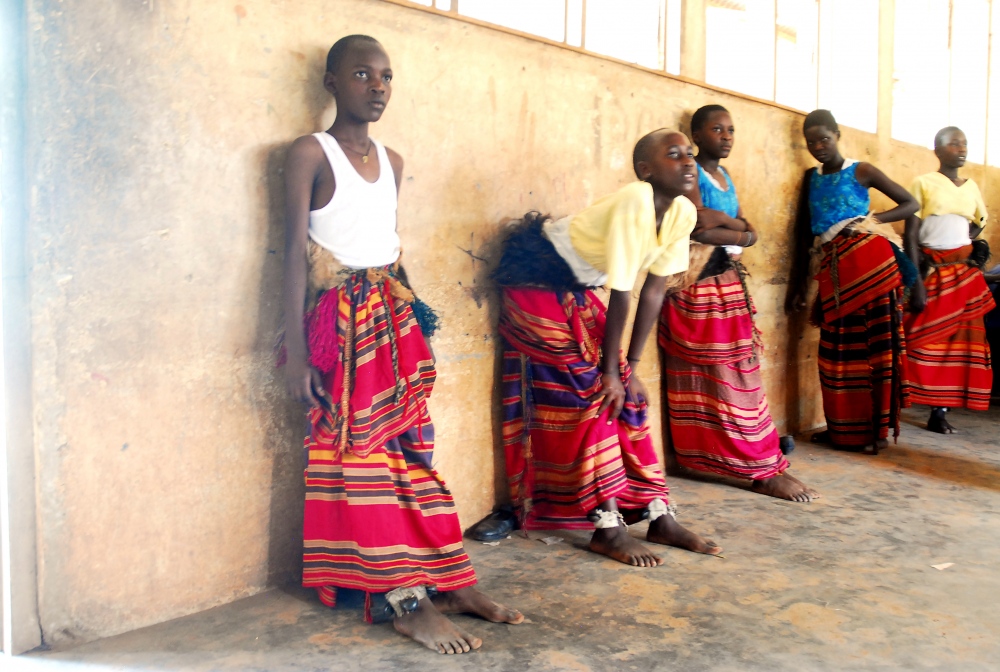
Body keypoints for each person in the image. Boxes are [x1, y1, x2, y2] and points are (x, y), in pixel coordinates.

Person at [280, 34, 521, 655]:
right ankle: (404, 601)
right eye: (362, 74)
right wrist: (297, 356)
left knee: (414, 454)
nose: (378, 86)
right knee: (358, 461)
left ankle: (448, 579)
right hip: (339, 326)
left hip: (394, 319)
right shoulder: (311, 153)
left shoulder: (394, 161)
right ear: (331, 81)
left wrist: (421, 330)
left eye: (386, 76)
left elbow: (391, 246)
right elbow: (290, 258)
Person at [494, 129, 722, 569]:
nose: (689, 161)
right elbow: (622, 291)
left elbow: (654, 289)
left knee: (628, 392)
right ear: (646, 171)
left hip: (581, 287)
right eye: (674, 155)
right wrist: (611, 372)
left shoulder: (681, 214)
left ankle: (657, 513)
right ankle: (607, 525)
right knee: (594, 387)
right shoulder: (635, 200)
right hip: (535, 280)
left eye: (690, 154)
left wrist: (628, 367)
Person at [660, 105, 818, 502]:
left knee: (740, 375)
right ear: (697, 133)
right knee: (718, 378)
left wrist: (736, 228)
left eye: (731, 129)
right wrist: (742, 232)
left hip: (726, 282)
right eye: (717, 129)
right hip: (698, 285)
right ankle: (750, 467)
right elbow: (697, 225)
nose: (727, 136)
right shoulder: (690, 171)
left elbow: (741, 223)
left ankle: (757, 459)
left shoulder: (723, 176)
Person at [785, 109, 919, 454]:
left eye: (824, 139)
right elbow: (803, 235)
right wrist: (799, 285)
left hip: (872, 263)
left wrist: (868, 221)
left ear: (838, 135)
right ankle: (843, 431)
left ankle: (877, 434)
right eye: (811, 142)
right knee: (837, 354)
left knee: (877, 352)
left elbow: (910, 204)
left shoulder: (861, 170)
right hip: (835, 273)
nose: (818, 147)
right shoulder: (811, 178)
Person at [903, 127, 994, 433]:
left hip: (963, 275)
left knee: (960, 344)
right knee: (921, 337)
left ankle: (939, 412)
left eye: (964, 144)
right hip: (933, 271)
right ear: (938, 150)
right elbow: (911, 234)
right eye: (954, 144)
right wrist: (915, 280)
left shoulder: (971, 188)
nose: (961, 148)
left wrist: (964, 245)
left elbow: (978, 224)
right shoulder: (923, 183)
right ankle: (902, 397)